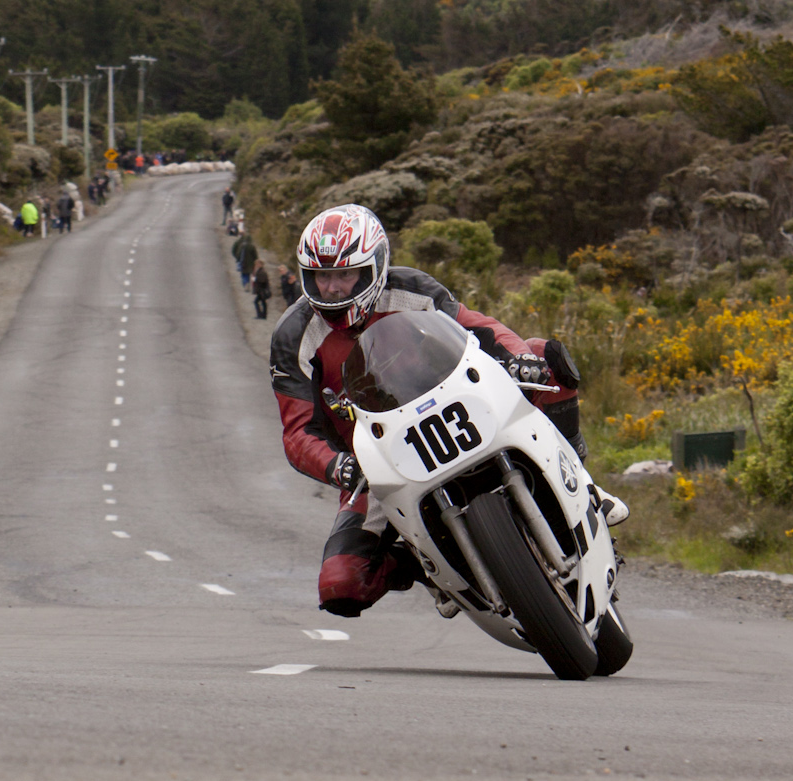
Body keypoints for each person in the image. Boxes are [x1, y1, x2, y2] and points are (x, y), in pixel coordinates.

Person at [268, 203, 628, 619]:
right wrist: (339, 467)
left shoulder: (411, 288)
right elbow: (297, 432)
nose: (331, 289)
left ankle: (583, 484)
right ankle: (424, 565)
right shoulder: (292, 336)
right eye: (321, 276)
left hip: (457, 408)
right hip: (377, 462)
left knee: (544, 356)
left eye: (343, 275)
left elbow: (480, 328)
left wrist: (517, 358)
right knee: (340, 584)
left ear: (374, 267)